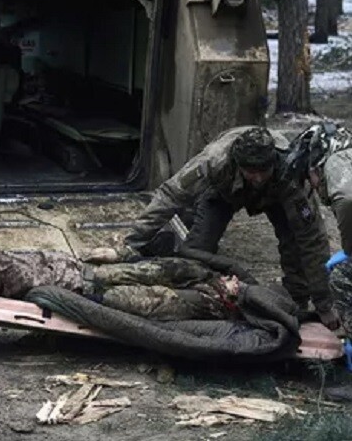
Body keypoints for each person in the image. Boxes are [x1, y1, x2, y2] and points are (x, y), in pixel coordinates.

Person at [124, 126, 339, 329]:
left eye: (263, 170)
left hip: (276, 194)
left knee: (295, 245)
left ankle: (294, 304)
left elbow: (312, 239)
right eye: (251, 171)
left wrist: (324, 304)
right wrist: (132, 242)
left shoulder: (291, 172)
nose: (258, 178)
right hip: (224, 192)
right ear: (238, 164)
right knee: (197, 249)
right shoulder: (214, 161)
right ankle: (197, 299)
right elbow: (171, 196)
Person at [0, 248, 242, 321]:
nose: (233, 279)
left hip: (77, 282)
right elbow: (158, 269)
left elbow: (140, 303)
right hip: (76, 273)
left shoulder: (197, 303)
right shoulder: (195, 276)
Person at [284, 123, 352, 332]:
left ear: (314, 167)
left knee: (341, 278)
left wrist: (349, 250)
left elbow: (348, 199)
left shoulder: (336, 164)